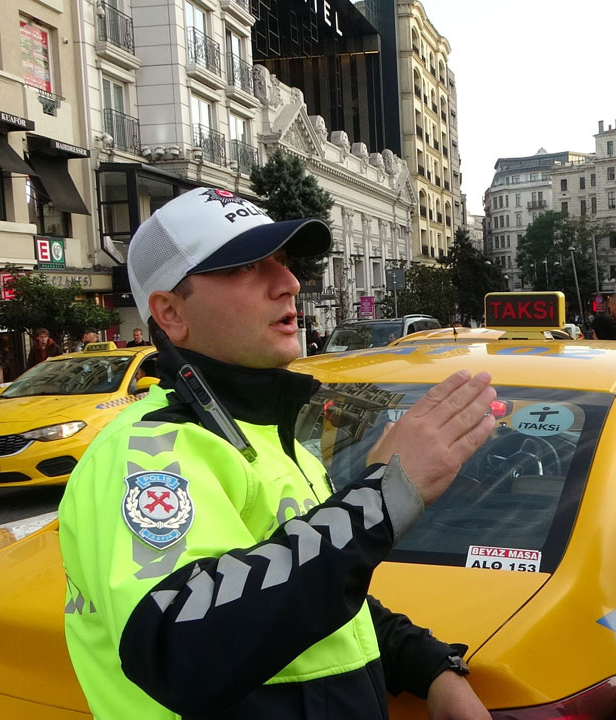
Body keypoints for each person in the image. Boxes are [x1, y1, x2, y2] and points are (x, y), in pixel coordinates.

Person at [58, 187, 492, 720]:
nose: (288, 283)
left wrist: (426, 667)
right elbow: (182, 644)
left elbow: (310, 595)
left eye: (283, 262)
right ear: (170, 312)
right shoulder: (146, 452)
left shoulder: (270, 436)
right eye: (245, 267)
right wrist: (382, 496)